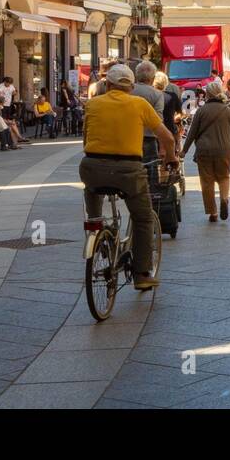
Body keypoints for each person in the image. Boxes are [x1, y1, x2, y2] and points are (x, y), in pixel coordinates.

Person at [79, 63, 176, 291]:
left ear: (108, 84)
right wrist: (170, 157)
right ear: (131, 86)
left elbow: (85, 139)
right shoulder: (140, 104)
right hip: (129, 170)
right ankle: (142, 274)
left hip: (92, 165)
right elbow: (167, 138)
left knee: (92, 190)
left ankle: (98, 231)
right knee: (143, 218)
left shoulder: (92, 104)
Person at [181, 78, 230, 222]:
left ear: (207, 95)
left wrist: (184, 150)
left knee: (207, 181)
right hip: (224, 151)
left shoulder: (201, 111)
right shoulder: (228, 111)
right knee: (224, 177)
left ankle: (213, 212)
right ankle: (224, 198)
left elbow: (191, 133)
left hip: (204, 151)